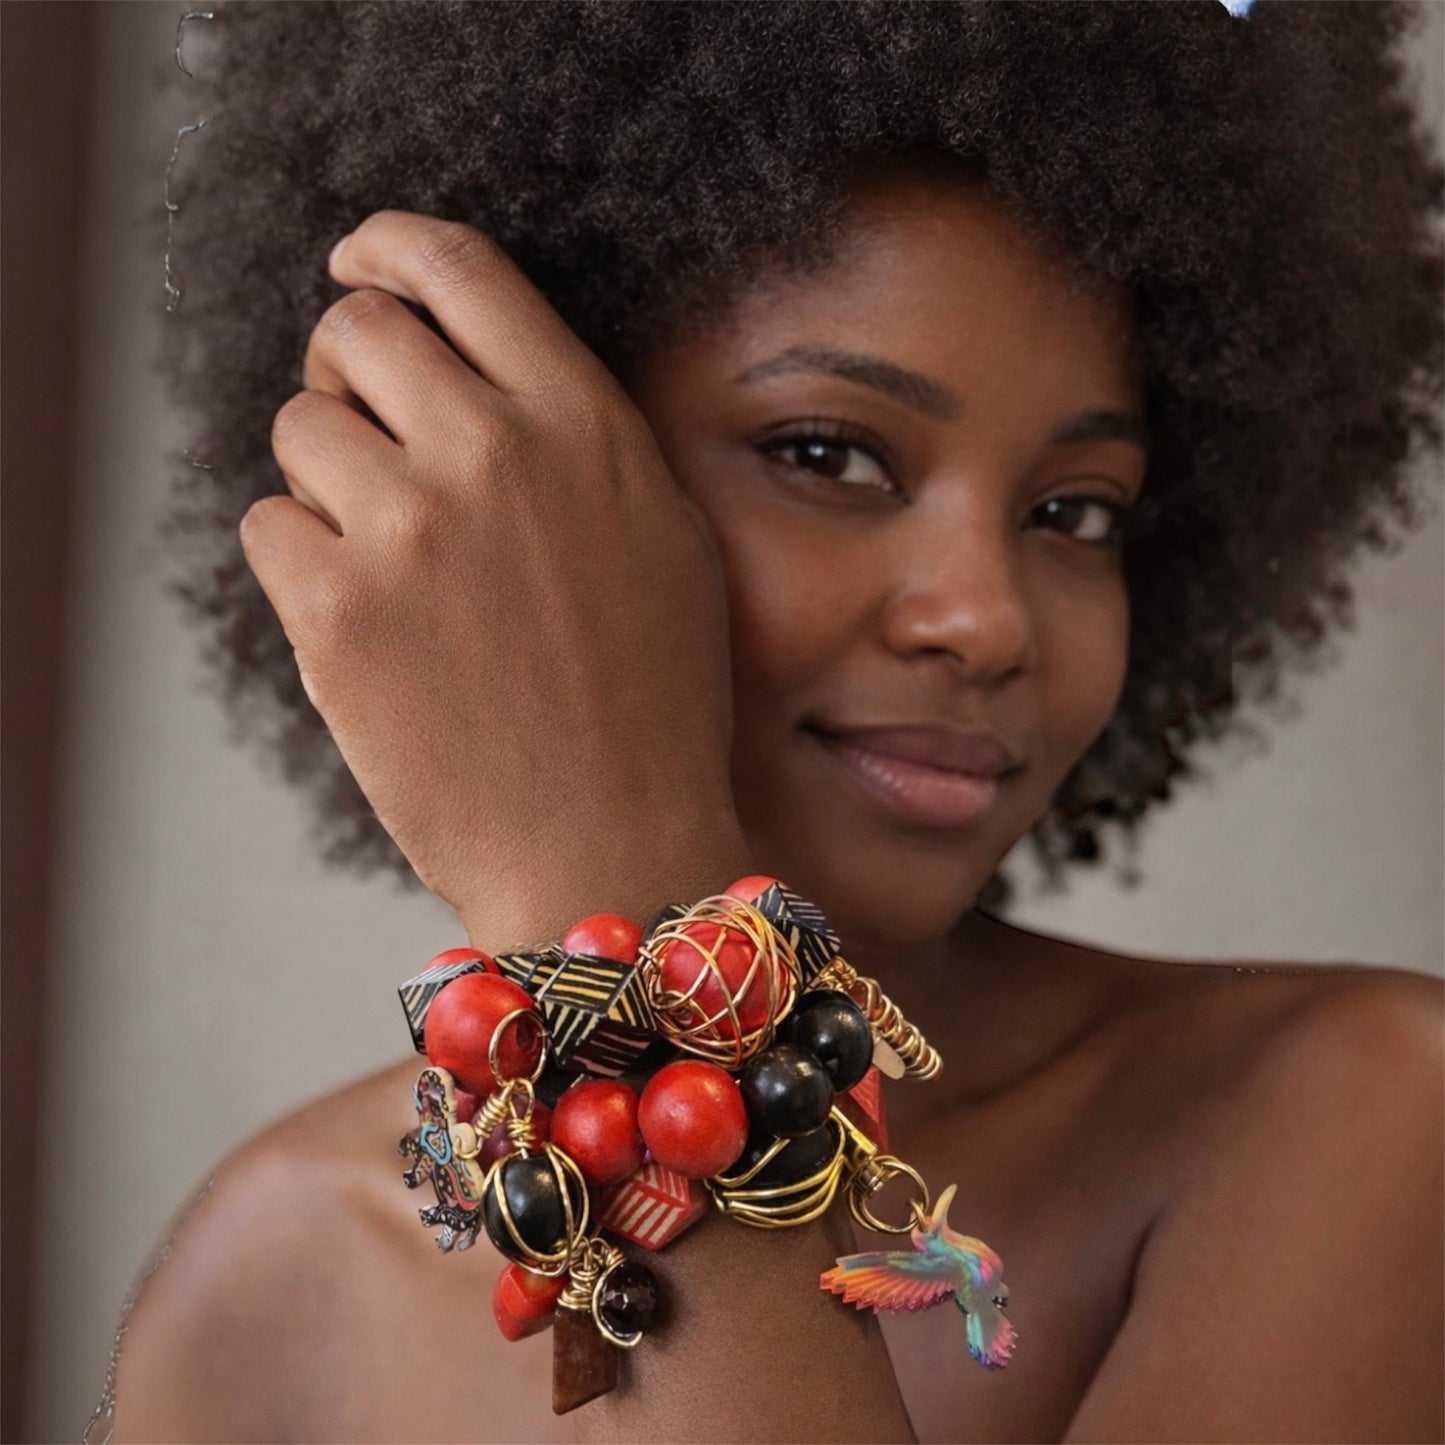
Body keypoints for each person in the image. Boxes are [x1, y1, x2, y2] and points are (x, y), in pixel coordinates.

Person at [97, 2, 1443, 1441]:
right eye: (828, 455)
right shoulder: (270, 1286)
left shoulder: (1357, 1124)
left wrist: (612, 878)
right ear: (509, 486)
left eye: (1075, 512)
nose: (983, 617)